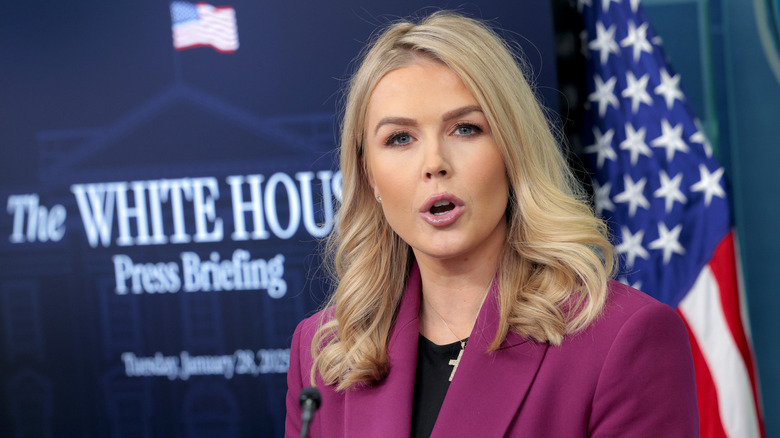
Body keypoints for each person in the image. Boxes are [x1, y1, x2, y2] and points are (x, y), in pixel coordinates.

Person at [286, 11, 698, 438]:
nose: (434, 164)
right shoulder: (322, 355)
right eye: (400, 138)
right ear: (369, 175)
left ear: (512, 150)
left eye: (465, 129)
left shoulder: (623, 338)